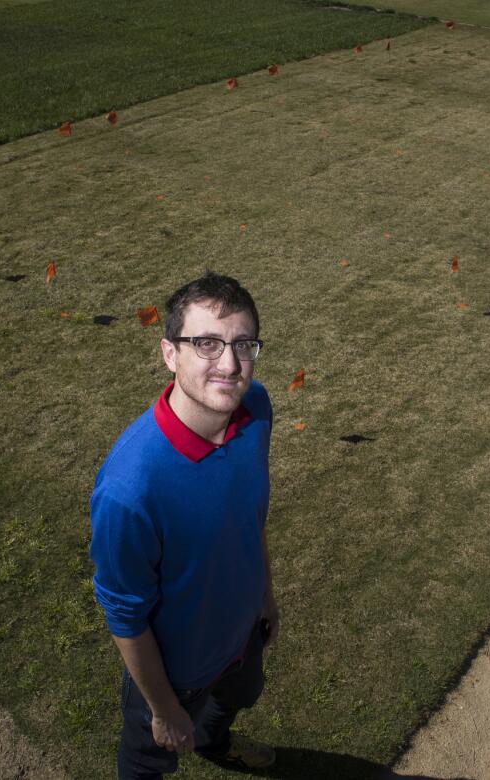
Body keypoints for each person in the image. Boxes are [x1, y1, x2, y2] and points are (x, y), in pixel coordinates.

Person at [89, 271, 279, 780]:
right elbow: (124, 615)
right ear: (170, 354)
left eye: (243, 344)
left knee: (242, 695)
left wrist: (265, 596)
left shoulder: (256, 409)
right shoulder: (130, 490)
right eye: (207, 344)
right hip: (179, 676)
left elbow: (250, 517)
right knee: (148, 762)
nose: (231, 364)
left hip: (243, 637)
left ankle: (216, 742)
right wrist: (163, 708)